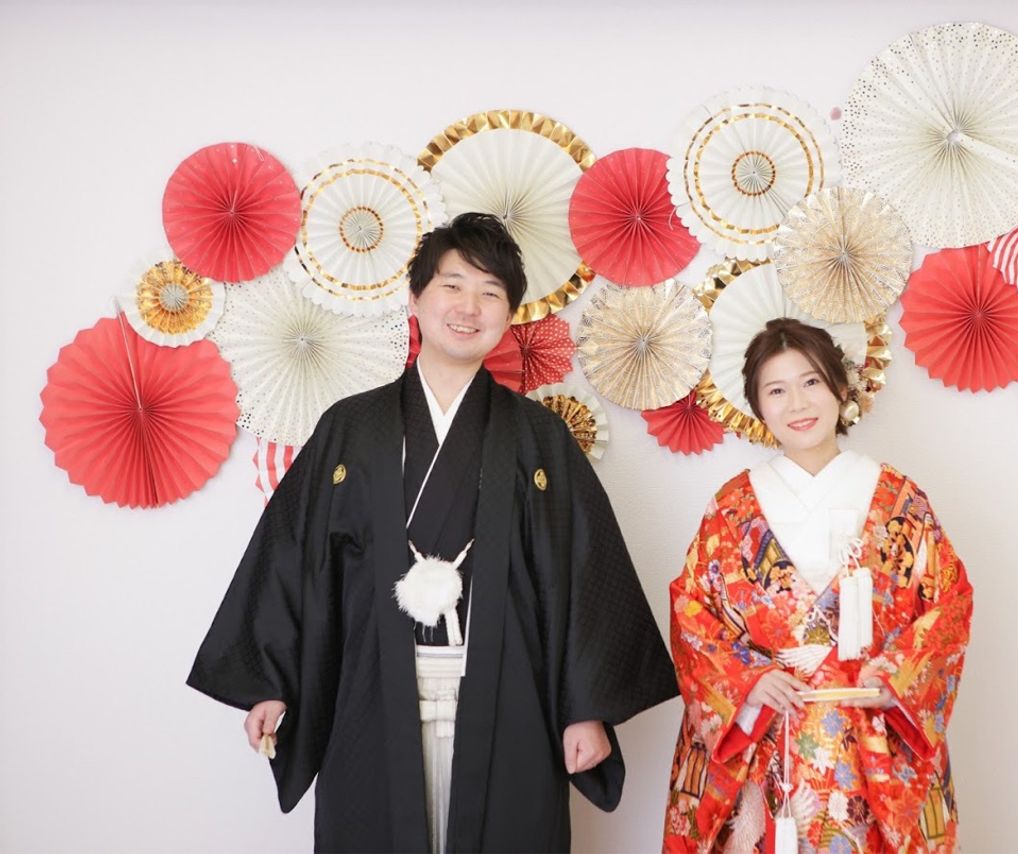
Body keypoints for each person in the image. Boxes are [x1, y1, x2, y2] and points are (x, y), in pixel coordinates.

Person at [189, 212, 678, 853]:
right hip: (370, 688)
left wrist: (585, 706)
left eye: (490, 292)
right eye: (452, 286)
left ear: (509, 313)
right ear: (416, 297)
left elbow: (584, 570)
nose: (469, 307)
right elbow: (294, 556)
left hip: (510, 692)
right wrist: (272, 683)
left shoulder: (539, 437)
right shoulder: (350, 427)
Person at [663, 318, 972, 853]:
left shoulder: (899, 499)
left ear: (840, 387)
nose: (798, 404)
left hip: (870, 735)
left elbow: (948, 605)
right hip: (769, 734)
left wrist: (898, 678)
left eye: (811, 382)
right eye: (776, 390)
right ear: (758, 407)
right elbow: (692, 613)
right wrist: (747, 681)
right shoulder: (732, 507)